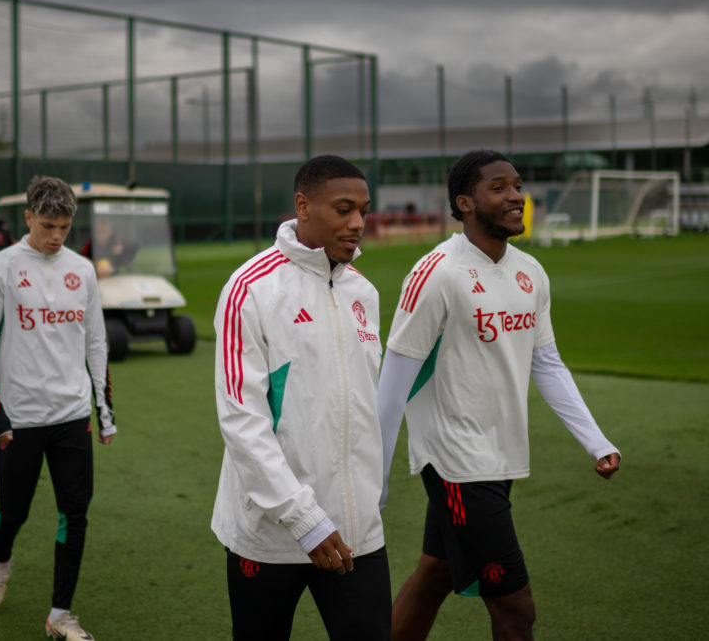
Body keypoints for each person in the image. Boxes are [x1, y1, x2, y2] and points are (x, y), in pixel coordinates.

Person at [377, 150, 621, 641]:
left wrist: (597, 441)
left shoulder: (531, 270)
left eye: (518, 186)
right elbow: (393, 382)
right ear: (464, 203)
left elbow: (546, 363)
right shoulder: (437, 273)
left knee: (437, 574)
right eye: (499, 188)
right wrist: (373, 480)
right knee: (516, 610)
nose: (515, 197)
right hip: (456, 461)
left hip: (502, 453)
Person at [211, 155, 391, 640]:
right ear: (303, 205)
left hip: (356, 531)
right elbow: (241, 420)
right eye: (344, 209)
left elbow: (363, 408)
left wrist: (370, 491)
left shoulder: (363, 292)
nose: (357, 223)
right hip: (270, 533)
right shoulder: (249, 289)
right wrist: (303, 518)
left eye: (363, 210)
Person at [0, 175, 115, 641]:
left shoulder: (83, 270)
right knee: (13, 513)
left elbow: (96, 342)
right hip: (20, 418)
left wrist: (104, 409)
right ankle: (1, 558)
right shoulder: (2, 267)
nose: (56, 237)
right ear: (29, 217)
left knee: (75, 512)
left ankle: (59, 616)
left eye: (64, 228)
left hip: (72, 416)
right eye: (48, 225)